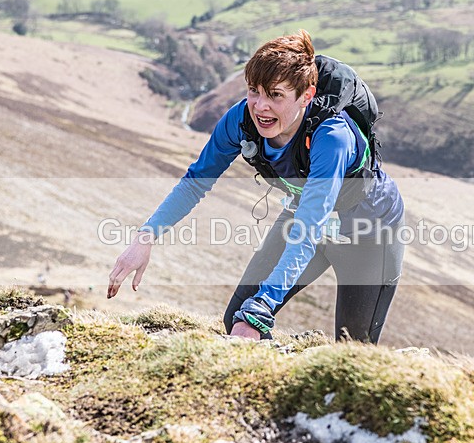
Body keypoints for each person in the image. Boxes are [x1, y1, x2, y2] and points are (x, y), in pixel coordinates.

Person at [107, 30, 404, 343]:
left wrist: (263, 305)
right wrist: (146, 237)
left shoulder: (331, 138)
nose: (260, 106)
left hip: (368, 231)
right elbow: (196, 182)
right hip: (306, 217)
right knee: (236, 320)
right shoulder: (240, 120)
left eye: (275, 95)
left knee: (353, 348)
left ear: (306, 95)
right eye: (254, 91)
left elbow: (309, 228)